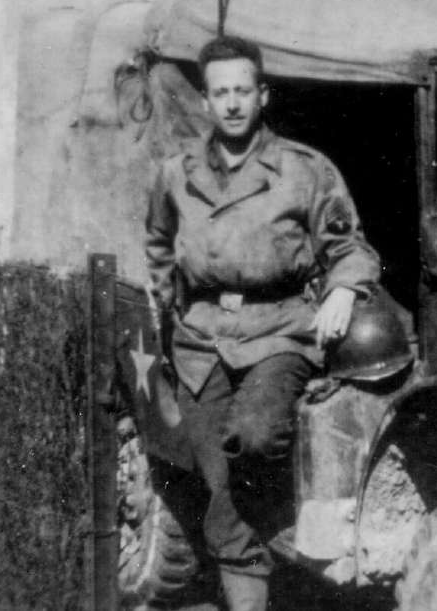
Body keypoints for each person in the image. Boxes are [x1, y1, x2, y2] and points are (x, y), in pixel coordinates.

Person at [144, 35, 380, 610]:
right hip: (201, 338)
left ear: (263, 95)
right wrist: (165, 303)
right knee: (218, 489)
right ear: (205, 100)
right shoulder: (175, 172)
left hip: (280, 329)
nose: (232, 104)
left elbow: (350, 245)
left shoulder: (304, 169)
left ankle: (285, 528)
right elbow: (158, 242)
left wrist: (343, 288)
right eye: (220, 92)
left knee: (254, 436)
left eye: (242, 91)